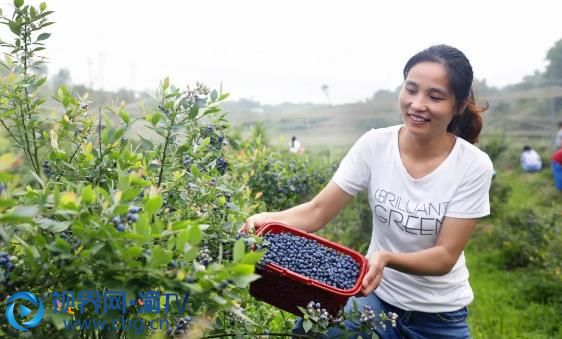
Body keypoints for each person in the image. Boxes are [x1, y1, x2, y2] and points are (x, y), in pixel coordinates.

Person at [242, 44, 494, 338]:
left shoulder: (472, 165)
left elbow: (445, 256)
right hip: (373, 300)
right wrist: (266, 219)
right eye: (411, 89)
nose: (417, 104)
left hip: (438, 316)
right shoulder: (375, 145)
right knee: (312, 332)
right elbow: (317, 211)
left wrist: (386, 258)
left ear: (459, 105)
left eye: (435, 96)